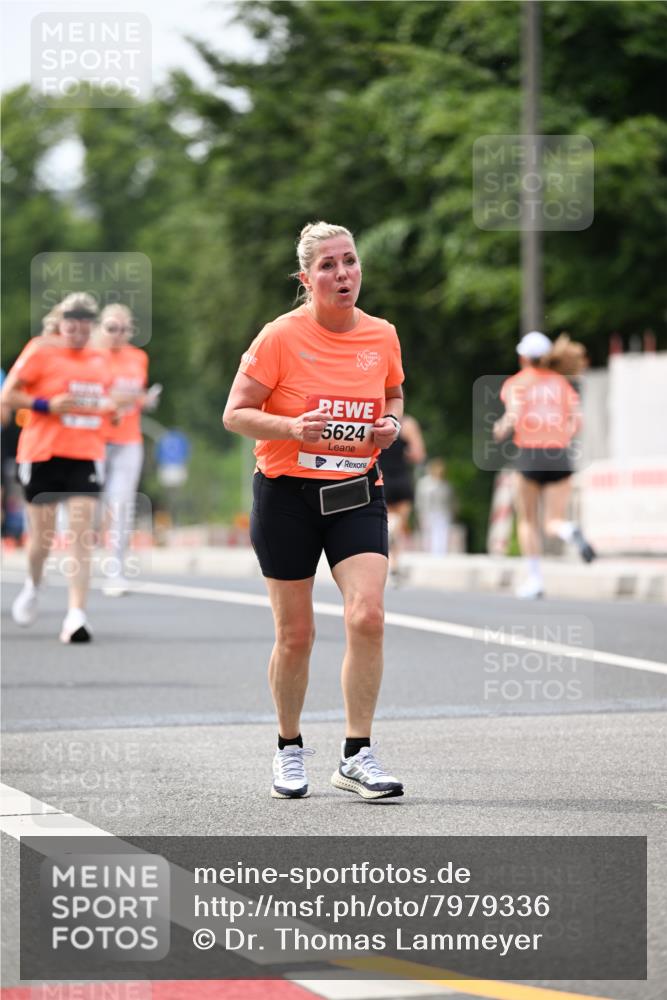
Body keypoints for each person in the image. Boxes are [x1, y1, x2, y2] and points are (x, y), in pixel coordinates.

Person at [223, 221, 406, 801]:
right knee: (296, 634)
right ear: (306, 279)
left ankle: (357, 754)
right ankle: (288, 746)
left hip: (356, 490)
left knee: (368, 615)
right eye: (328, 266)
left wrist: (391, 421)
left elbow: (394, 392)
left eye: (349, 261)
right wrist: (291, 427)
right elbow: (235, 413)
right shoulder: (280, 336)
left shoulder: (381, 334)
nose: (342, 273)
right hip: (287, 497)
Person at [1, 293, 116, 642]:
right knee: (43, 539)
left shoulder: (101, 357)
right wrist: (46, 404)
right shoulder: (41, 350)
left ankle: (76, 615)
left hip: (85, 453)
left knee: (81, 534)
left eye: (85, 324)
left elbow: (104, 401)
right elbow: (8, 396)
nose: (78, 331)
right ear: (59, 323)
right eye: (71, 324)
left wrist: (112, 411)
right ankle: (34, 584)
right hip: (43, 453)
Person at [493, 330, 596, 599]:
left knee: (528, 520)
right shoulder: (561, 383)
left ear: (523, 358)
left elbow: (514, 414)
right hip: (559, 454)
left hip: (530, 454)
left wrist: (500, 429)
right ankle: (568, 530)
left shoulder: (517, 383)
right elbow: (577, 422)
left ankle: (535, 579)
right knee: (553, 521)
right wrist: (560, 435)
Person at [94, 303, 154, 596]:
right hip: (95, 440)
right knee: (91, 506)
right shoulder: (92, 356)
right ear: (100, 328)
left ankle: (115, 570)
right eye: (111, 327)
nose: (117, 334)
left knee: (121, 504)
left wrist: (143, 399)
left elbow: (135, 394)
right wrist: (124, 398)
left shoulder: (138, 357)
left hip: (128, 439)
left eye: (123, 328)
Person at [380, 413, 425, 581]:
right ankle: (396, 565)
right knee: (399, 525)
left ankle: (393, 564)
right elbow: (418, 455)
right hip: (401, 479)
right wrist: (404, 452)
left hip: (382, 478)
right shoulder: (408, 424)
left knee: (387, 524)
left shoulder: (375, 420)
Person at [415, 457, 453, 555]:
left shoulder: (445, 484)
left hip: (442, 512)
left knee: (441, 533)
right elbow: (420, 500)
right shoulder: (424, 483)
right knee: (427, 534)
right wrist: (420, 513)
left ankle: (440, 553)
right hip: (428, 512)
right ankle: (428, 553)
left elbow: (448, 500)